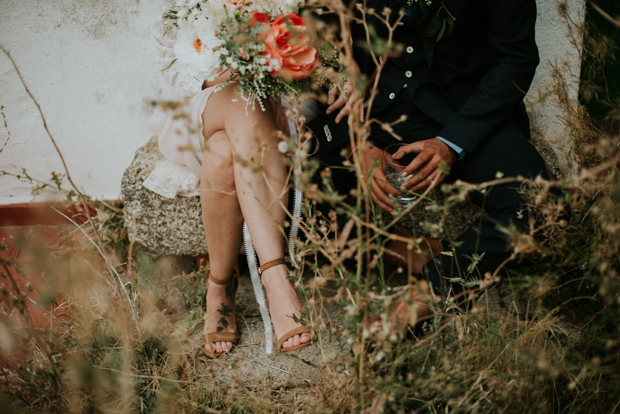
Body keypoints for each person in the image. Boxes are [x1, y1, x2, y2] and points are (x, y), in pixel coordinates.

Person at [306, 0, 551, 324]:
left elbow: (515, 60)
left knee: (541, 204)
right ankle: (396, 247)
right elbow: (317, 37)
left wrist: (451, 143)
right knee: (282, 170)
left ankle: (426, 296)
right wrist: (358, 145)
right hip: (367, 112)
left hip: (464, 112)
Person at [144, 2, 311, 358]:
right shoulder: (182, 5)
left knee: (222, 154)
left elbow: (309, 40)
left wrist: (268, 62)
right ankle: (276, 277)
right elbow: (174, 70)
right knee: (241, 99)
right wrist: (232, 72)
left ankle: (219, 286)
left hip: (273, 109)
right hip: (201, 106)